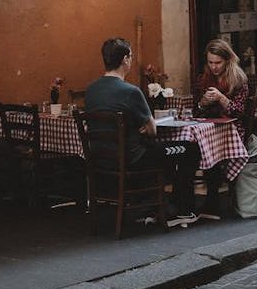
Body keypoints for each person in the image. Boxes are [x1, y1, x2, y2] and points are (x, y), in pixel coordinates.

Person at [84, 38, 199, 228]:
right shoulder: (130, 92)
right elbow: (152, 130)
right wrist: (145, 126)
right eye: (130, 56)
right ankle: (183, 210)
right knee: (189, 149)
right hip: (135, 158)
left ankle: (153, 205)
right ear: (125, 60)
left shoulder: (91, 91)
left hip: (102, 160)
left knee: (162, 153)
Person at [195, 38, 249, 219]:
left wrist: (221, 98)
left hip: (232, 130)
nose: (214, 67)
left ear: (227, 60)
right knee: (191, 149)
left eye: (218, 63)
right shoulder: (204, 78)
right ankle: (186, 202)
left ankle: (212, 200)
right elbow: (198, 110)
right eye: (210, 62)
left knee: (211, 147)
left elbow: (239, 111)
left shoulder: (238, 79)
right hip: (211, 129)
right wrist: (203, 103)